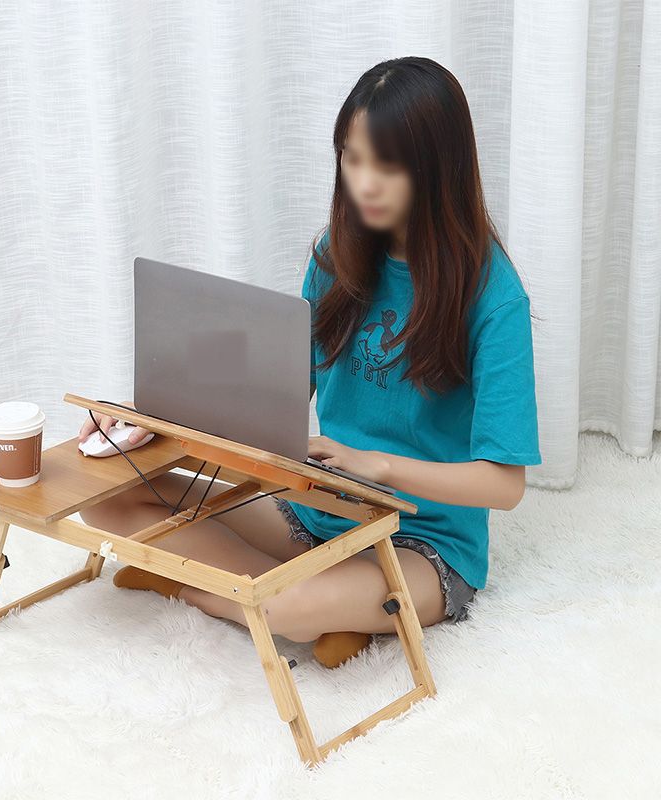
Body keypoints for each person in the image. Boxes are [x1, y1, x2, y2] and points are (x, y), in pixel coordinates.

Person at [78, 56, 542, 669]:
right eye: (352, 159)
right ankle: (331, 609)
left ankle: (200, 584)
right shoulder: (336, 256)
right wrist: (146, 405)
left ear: (439, 170)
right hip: (317, 510)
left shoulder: (493, 295)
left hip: (426, 544)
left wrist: (377, 465)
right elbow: (275, 380)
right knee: (102, 502)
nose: (364, 184)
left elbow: (504, 485)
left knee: (289, 607)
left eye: (388, 165)